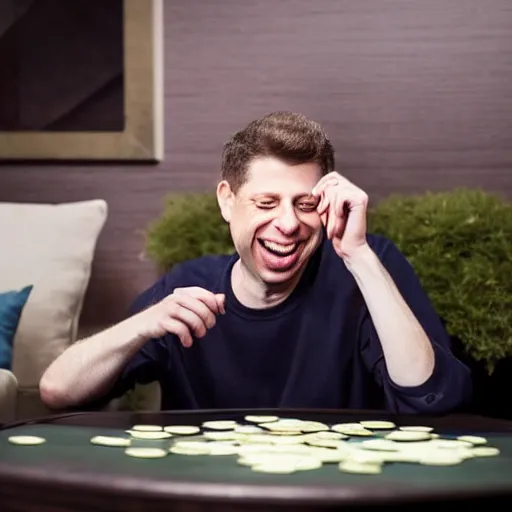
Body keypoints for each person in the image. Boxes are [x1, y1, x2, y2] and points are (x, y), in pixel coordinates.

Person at [39, 111, 472, 414]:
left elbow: (431, 396)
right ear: (228, 201)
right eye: (266, 202)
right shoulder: (188, 286)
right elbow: (58, 391)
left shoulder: (366, 266)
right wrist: (142, 324)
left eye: (305, 203)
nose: (288, 223)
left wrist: (359, 257)